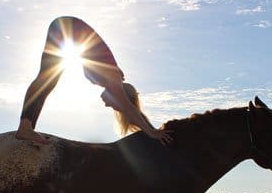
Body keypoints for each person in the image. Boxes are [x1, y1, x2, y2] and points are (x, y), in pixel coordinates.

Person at [15, 16, 171, 144]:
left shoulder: (109, 76)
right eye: (113, 105)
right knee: (47, 80)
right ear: (120, 97)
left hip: (67, 31)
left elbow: (130, 110)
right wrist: (151, 131)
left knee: (49, 79)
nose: (107, 104)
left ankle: (26, 127)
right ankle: (25, 128)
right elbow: (130, 109)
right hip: (68, 27)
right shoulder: (114, 78)